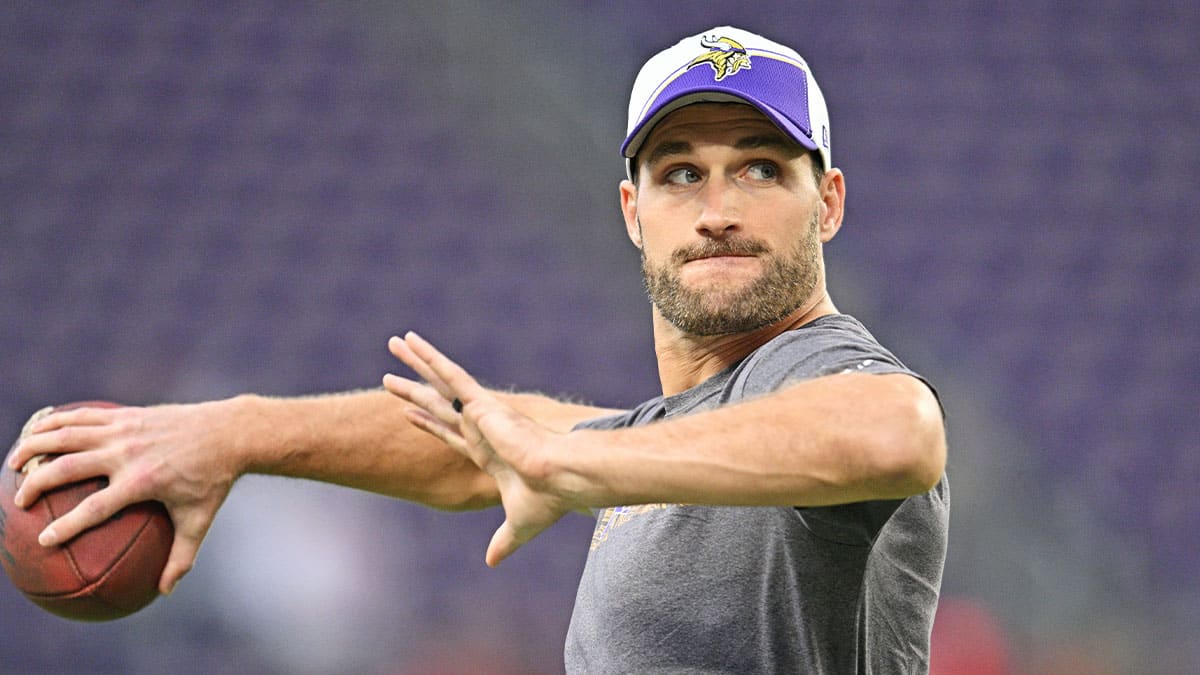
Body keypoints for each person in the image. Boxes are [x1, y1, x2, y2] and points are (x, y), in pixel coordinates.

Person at [10, 26, 948, 673]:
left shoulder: (819, 372)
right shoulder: (668, 437)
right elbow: (480, 443)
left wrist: (565, 459)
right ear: (633, 212)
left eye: (759, 167)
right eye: (679, 174)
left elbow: (895, 429)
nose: (717, 208)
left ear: (826, 200)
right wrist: (234, 433)